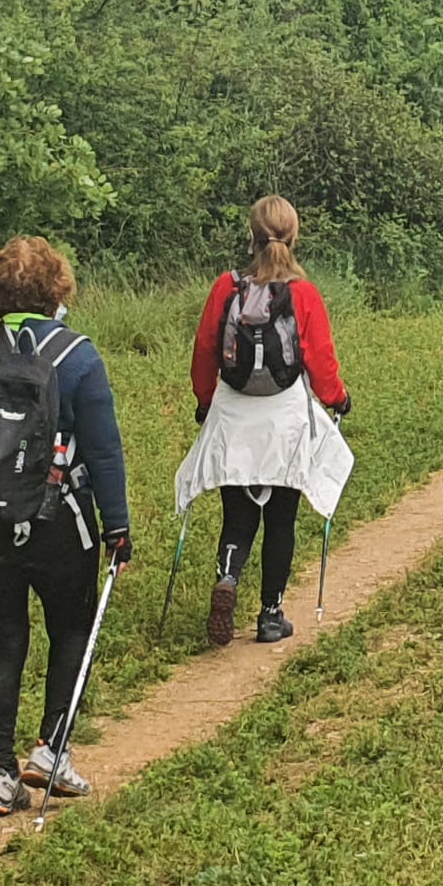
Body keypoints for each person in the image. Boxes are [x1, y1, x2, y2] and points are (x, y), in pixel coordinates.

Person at [0, 236, 132, 817]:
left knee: (3, 639)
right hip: (60, 523)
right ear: (57, 289)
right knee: (71, 628)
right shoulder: (80, 356)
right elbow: (105, 450)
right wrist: (116, 527)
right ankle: (50, 751)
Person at [186, 196, 352, 649]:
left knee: (237, 519)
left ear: (251, 235)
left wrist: (205, 402)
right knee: (282, 519)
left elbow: (204, 351)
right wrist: (339, 398)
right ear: (294, 235)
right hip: (285, 421)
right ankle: (271, 614)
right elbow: (319, 361)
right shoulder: (304, 294)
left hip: (233, 415)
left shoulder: (226, 287)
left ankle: (227, 578)